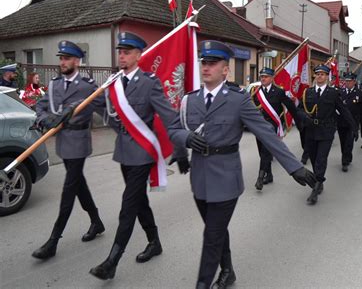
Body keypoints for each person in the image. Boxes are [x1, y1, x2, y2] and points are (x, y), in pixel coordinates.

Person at [167, 40, 316, 289]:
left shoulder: (238, 100)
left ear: (226, 70)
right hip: (200, 178)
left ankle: (203, 284)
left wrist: (294, 168)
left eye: (213, 63)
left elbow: (267, 133)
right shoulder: (189, 100)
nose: (206, 67)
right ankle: (228, 271)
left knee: (211, 235)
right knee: (216, 230)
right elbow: (173, 128)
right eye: (204, 62)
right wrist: (185, 138)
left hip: (226, 178)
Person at [89, 32, 189, 280]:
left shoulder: (149, 82)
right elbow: (105, 109)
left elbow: (169, 115)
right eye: (119, 52)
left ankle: (112, 261)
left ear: (138, 55)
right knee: (139, 201)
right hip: (124, 150)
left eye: (126, 52)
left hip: (143, 152)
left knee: (128, 205)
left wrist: (179, 146)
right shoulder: (113, 82)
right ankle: (154, 242)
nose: (121, 56)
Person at [32, 41, 105, 260]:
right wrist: (46, 119)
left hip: (79, 142)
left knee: (69, 189)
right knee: (78, 184)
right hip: (63, 141)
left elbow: (108, 106)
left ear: (76, 61)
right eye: (60, 58)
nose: (62, 62)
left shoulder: (88, 86)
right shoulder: (54, 84)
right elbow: (41, 106)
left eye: (66, 58)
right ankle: (96, 221)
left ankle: (53, 240)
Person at [298, 64, 356, 205]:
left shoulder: (333, 93)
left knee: (321, 160)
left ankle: (316, 188)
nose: (319, 76)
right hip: (311, 131)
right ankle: (319, 181)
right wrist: (303, 121)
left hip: (326, 131)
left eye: (323, 74)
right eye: (317, 74)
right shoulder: (308, 92)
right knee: (313, 157)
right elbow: (299, 110)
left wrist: (354, 127)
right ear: (315, 76)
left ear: (327, 77)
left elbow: (343, 111)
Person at [250, 67, 300, 190]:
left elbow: (290, 106)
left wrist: (299, 119)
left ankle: (260, 177)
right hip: (259, 126)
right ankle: (270, 175)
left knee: (265, 151)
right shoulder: (255, 92)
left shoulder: (279, 92)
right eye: (261, 76)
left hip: (271, 125)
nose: (263, 79)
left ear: (272, 78)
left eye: (265, 76)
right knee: (262, 151)